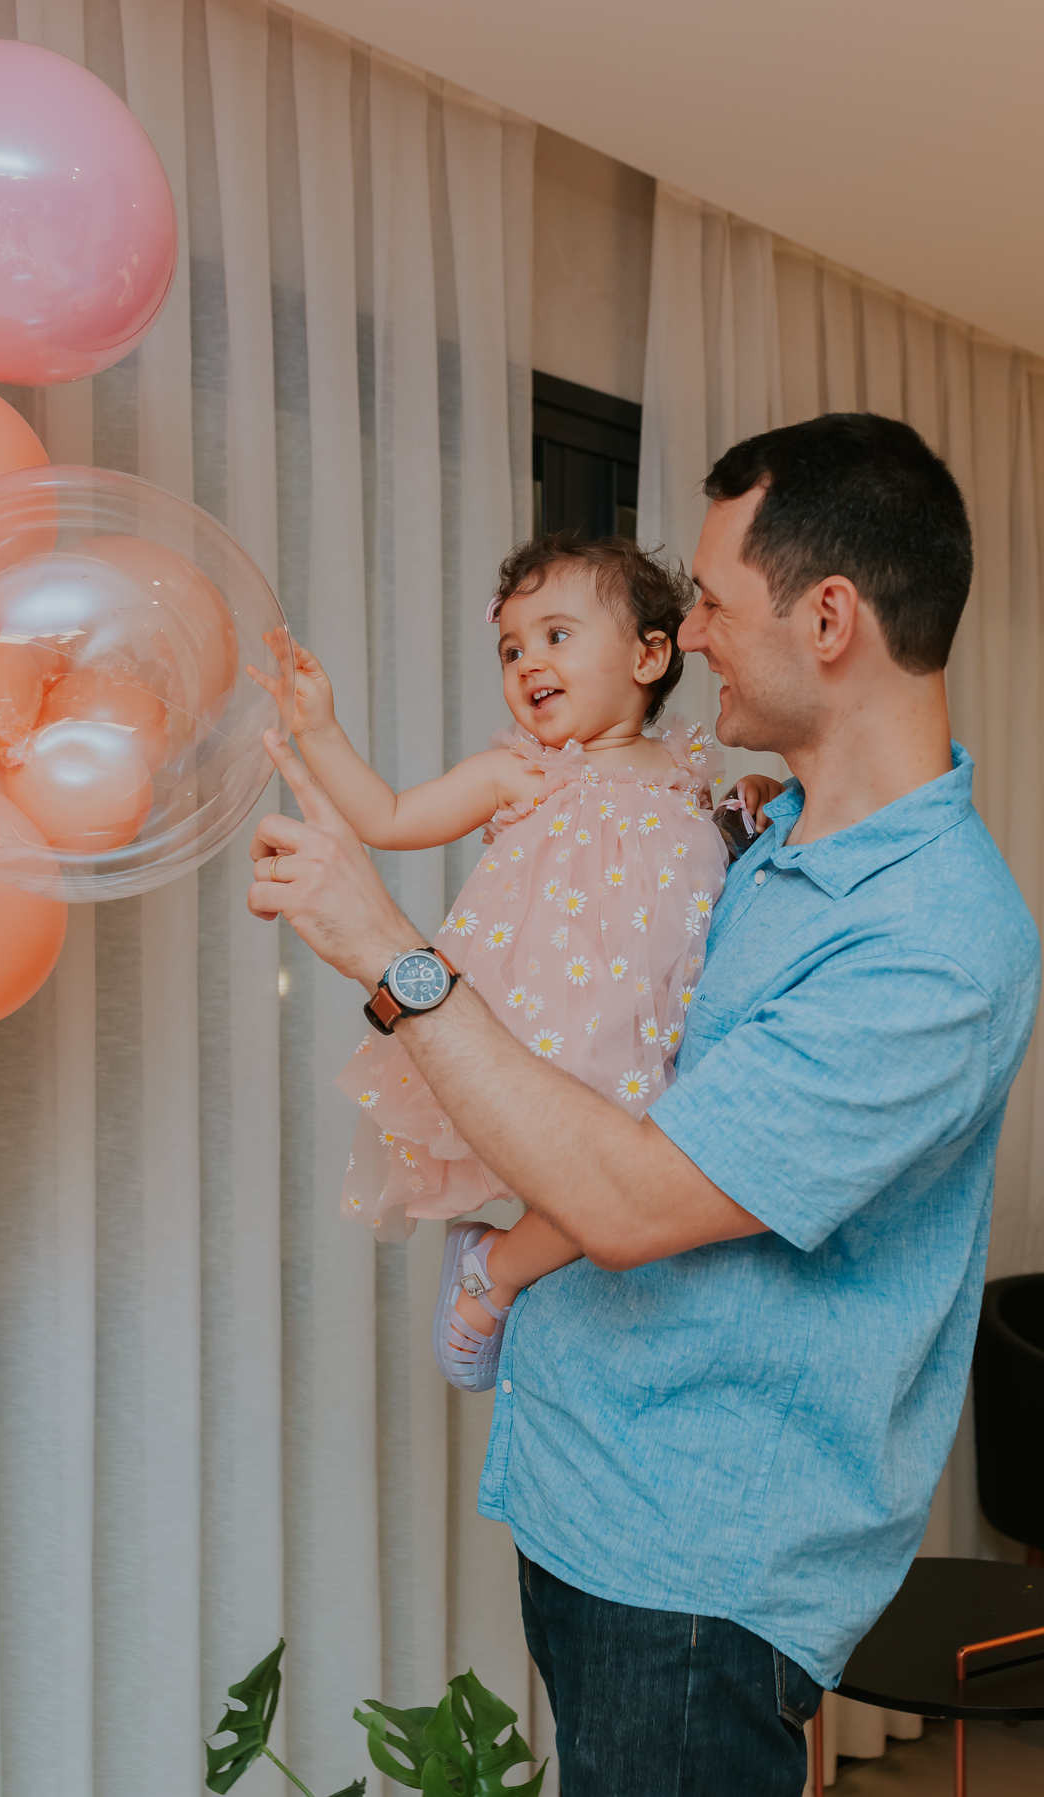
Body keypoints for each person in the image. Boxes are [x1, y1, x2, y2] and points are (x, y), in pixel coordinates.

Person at [248, 413, 1041, 1796]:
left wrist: (389, 952)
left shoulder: (933, 941)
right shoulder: (755, 832)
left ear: (833, 618)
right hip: (586, 1489)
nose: (702, 638)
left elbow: (627, 1199)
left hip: (695, 1567)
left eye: (720, 606)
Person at [249, 534, 780, 1391]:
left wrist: (754, 796)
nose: (528, 659)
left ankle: (493, 1264)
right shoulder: (521, 771)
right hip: (540, 1027)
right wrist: (321, 729)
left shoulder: (693, 776)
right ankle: (492, 1276)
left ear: (649, 655)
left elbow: (728, 854)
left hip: (654, 1028)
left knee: (636, 1170)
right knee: (589, 1170)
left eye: (556, 636)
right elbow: (388, 815)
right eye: (512, 647)